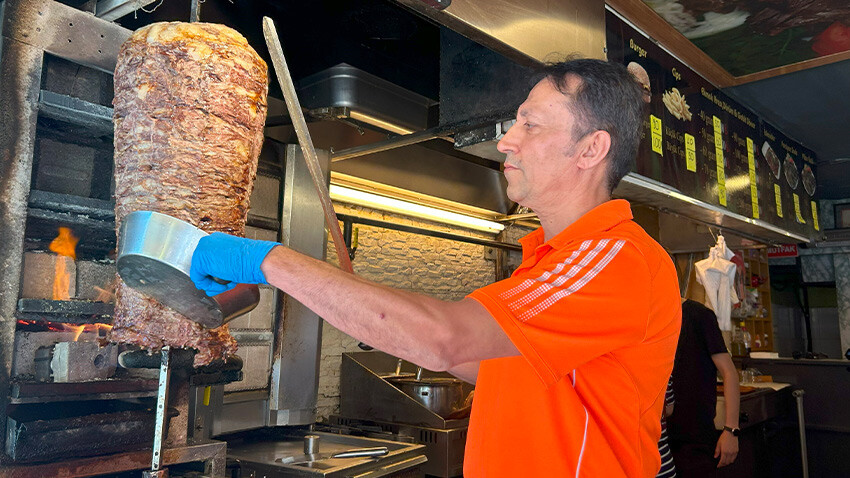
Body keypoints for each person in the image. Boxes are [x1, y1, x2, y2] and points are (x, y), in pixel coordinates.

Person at [190, 58, 682, 477]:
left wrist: (265, 259)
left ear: (591, 148)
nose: (506, 141)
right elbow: (489, 367)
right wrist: (378, 321)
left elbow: (446, 338)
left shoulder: (613, 258)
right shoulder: (547, 263)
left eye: (530, 125)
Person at [668, 299, 741, 477]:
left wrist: (731, 430)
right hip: (659, 438)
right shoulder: (650, 316)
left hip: (695, 438)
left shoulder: (698, 315)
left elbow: (729, 372)